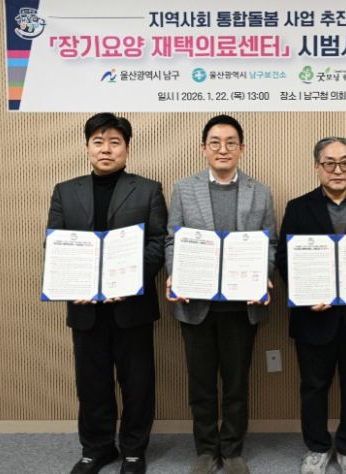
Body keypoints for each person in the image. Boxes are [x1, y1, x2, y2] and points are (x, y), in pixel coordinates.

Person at [46, 113, 167, 474]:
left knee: (137, 382)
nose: (106, 149)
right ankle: (97, 448)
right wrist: (74, 284)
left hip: (132, 305)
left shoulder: (148, 190)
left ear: (126, 148)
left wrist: (128, 282)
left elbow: (158, 243)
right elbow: (55, 244)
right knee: (91, 382)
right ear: (87, 147)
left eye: (115, 142)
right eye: (98, 142)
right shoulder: (65, 191)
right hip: (85, 307)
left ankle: (133, 450)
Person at [164, 114, 277, 474]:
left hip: (241, 306)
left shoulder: (260, 191)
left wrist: (263, 276)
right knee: (200, 384)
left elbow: (269, 243)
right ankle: (205, 450)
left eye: (231, 142)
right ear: (204, 148)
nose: (223, 149)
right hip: (196, 303)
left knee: (236, 383)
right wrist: (175, 274)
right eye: (215, 142)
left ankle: (232, 449)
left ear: (241, 148)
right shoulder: (184, 189)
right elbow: (173, 239)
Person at [276, 137, 346, 474]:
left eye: (345, 162)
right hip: (314, 317)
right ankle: (317, 447)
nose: (337, 170)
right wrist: (305, 294)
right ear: (317, 167)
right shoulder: (298, 207)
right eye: (329, 163)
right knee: (313, 388)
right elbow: (284, 257)